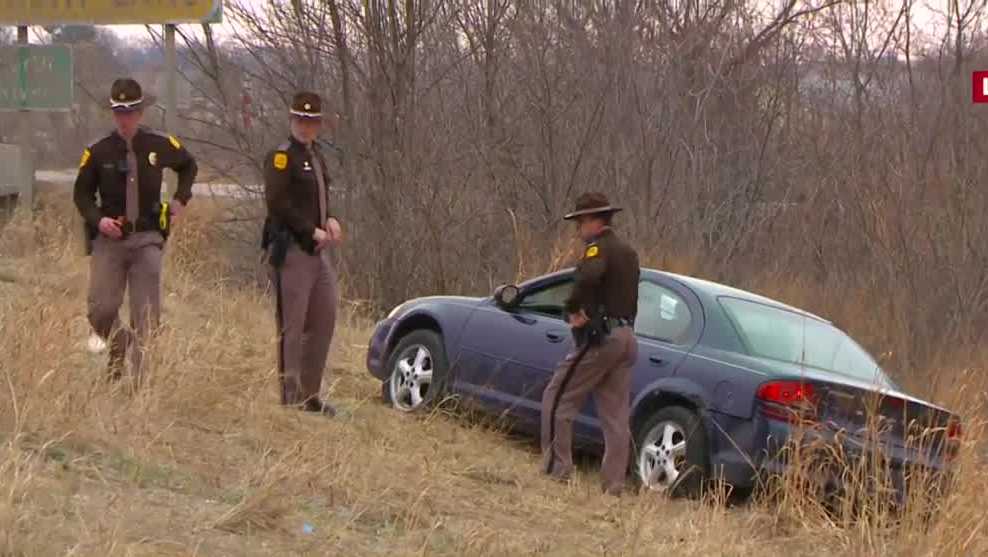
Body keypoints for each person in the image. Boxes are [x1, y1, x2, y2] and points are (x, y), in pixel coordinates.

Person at [74, 77, 198, 382]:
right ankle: (120, 344)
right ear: (113, 113)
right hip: (110, 239)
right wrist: (98, 220)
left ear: (140, 113)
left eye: (130, 112)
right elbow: (82, 195)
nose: (125, 118)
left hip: (148, 239)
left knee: (145, 315)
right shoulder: (98, 151)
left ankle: (140, 387)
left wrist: (180, 199)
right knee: (99, 310)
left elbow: (189, 165)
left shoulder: (158, 144)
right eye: (119, 112)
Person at [541, 192, 640, 496]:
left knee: (558, 396)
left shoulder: (598, 249)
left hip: (603, 336)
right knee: (615, 416)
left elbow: (589, 277)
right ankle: (613, 485)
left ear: (592, 221)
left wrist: (573, 308)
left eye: (579, 223)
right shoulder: (629, 252)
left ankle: (557, 468)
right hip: (627, 338)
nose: (578, 231)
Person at [262, 91, 343, 416]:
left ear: (319, 125)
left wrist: (331, 219)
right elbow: (278, 204)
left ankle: (310, 394)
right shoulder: (282, 157)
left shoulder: (317, 155)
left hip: (318, 252)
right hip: (293, 248)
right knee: (292, 325)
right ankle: (290, 396)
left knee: (324, 318)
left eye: (311, 121)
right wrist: (311, 230)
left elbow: (323, 196)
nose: (305, 126)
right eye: (300, 120)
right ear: (291, 119)